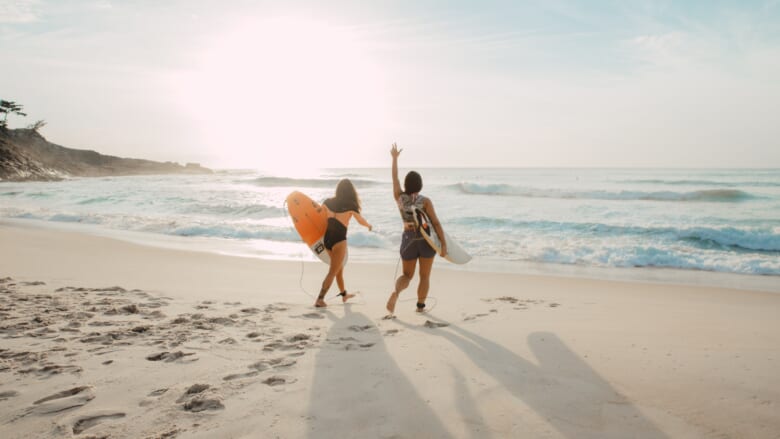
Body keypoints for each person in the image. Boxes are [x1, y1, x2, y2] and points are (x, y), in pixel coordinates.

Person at [385, 143, 447, 316]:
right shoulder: (425, 201)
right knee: (424, 276)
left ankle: (396, 293)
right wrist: (443, 244)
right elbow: (435, 223)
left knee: (407, 275)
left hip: (408, 238)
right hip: (425, 239)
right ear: (420, 185)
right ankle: (420, 306)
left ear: (406, 184)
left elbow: (394, 178)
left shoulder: (400, 198)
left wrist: (394, 159)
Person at [315, 178, 373, 308]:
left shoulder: (327, 202)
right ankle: (320, 299)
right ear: (351, 191)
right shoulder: (351, 205)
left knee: (338, 270)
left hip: (327, 240)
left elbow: (318, 215)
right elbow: (360, 220)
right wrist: (369, 226)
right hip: (339, 241)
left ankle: (344, 294)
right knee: (332, 271)